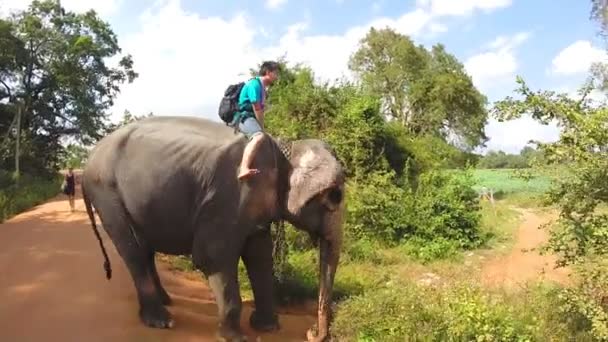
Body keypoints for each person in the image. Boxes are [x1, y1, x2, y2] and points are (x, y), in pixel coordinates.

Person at [232, 61, 279, 180]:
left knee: (265, 137)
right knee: (258, 136)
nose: (277, 76)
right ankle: (244, 168)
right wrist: (261, 129)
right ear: (268, 72)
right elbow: (256, 107)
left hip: (251, 118)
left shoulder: (263, 88)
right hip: (244, 117)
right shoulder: (255, 84)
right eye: (275, 73)